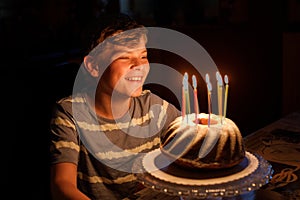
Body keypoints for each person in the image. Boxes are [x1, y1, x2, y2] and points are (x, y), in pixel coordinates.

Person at [49, 13, 181, 200]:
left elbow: (196, 139)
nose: (139, 65)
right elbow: (62, 185)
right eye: (124, 57)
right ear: (94, 66)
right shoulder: (70, 113)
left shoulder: (155, 107)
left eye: (143, 56)